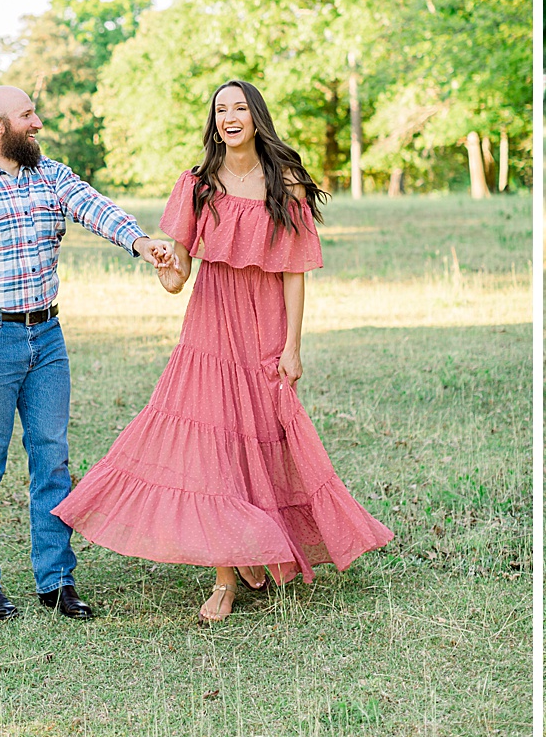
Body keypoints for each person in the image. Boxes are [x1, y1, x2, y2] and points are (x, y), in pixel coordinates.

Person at [54, 79, 393, 622]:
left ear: (256, 116)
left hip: (265, 323)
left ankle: (255, 543)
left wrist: (293, 345)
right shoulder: (197, 183)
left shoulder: (285, 182)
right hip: (211, 321)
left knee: (259, 435)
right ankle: (225, 576)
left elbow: (295, 271)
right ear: (213, 122)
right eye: (220, 110)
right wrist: (168, 267)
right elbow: (179, 272)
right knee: (213, 442)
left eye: (239, 107)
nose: (229, 117)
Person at [0, 86, 175, 622]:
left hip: (48, 339)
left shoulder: (51, 176)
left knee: (52, 459)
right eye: (27, 115)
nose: (37, 122)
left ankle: (56, 580)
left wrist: (141, 243)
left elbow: (95, 208)